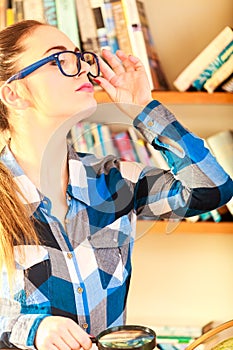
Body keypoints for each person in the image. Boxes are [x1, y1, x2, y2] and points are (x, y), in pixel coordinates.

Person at [0, 20, 232, 350]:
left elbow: (211, 188)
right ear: (13, 93)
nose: (82, 69)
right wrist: (33, 329)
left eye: (79, 57)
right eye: (59, 60)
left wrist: (144, 110)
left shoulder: (116, 181)